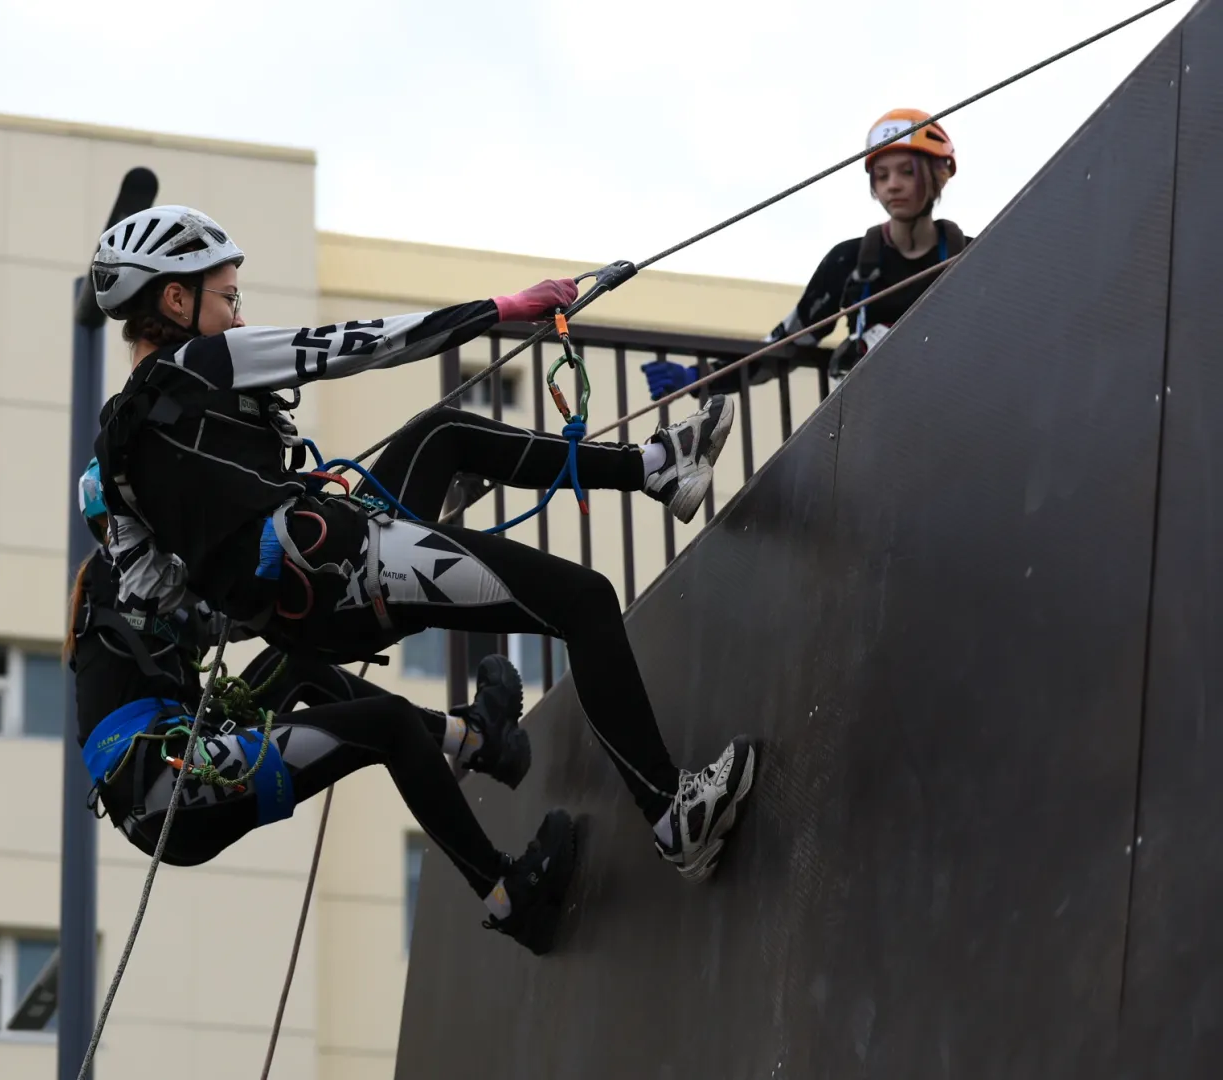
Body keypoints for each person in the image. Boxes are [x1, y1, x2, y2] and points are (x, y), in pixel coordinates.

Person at [86, 205, 758, 887]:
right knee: (583, 601)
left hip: (307, 601)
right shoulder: (203, 361)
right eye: (227, 298)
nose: (236, 315)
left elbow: (158, 591)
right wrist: (505, 307)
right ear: (176, 299)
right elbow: (361, 341)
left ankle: (654, 468)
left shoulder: (114, 456)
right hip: (345, 569)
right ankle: (673, 814)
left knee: (443, 437)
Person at [68, 481, 576, 954]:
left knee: (296, 662)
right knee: (390, 727)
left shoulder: (135, 589)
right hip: (167, 784)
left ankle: (471, 740)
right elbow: (223, 592)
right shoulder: (118, 573)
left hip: (169, 776)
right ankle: (505, 894)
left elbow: (237, 610)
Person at [643, 108, 968, 401]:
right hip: (877, 415)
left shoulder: (972, 255)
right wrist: (698, 377)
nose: (892, 186)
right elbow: (788, 341)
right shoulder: (851, 261)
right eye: (881, 175)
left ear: (938, 174)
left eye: (906, 172)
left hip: (961, 402)